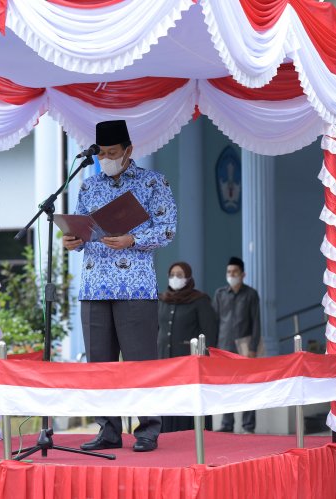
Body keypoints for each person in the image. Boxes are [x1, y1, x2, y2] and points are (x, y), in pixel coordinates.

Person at [63, 119, 177, 453]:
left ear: (129, 150)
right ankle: (108, 429)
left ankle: (148, 429)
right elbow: (81, 231)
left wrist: (133, 238)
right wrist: (72, 240)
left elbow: (168, 229)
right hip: (95, 287)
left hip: (135, 288)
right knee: (100, 365)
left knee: (140, 361)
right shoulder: (88, 186)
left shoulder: (153, 183)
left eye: (113, 152)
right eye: (102, 153)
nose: (107, 158)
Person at [157, 261, 218, 432]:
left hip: (189, 363)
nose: (175, 278)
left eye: (180, 275)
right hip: (164, 362)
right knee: (168, 399)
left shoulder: (199, 300)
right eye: (172, 275)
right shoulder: (162, 299)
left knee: (187, 400)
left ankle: (192, 433)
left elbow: (209, 333)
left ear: (188, 278)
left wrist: (205, 360)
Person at [212, 256, 260, 433]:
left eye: (235, 272)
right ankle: (226, 424)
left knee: (248, 386)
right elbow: (214, 322)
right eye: (229, 272)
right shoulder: (220, 294)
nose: (231, 275)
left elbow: (256, 322)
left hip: (245, 347)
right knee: (226, 386)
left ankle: (248, 425)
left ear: (243, 274)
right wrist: (212, 347)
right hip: (223, 345)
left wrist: (253, 347)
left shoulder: (251, 294)